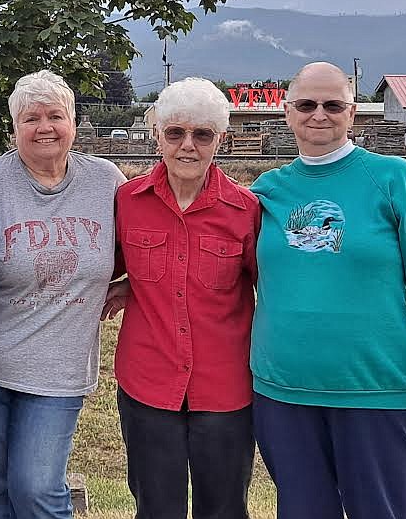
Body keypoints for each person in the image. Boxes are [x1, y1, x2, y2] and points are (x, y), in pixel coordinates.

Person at [251, 61, 406, 519]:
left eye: (333, 105)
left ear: (353, 113)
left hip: (373, 390)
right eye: (306, 104)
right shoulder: (267, 191)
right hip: (284, 392)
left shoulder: (394, 179)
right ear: (287, 112)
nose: (318, 114)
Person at [0, 71, 125, 518]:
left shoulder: (105, 182)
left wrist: (134, 281)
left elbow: (145, 238)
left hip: (61, 369)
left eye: (56, 116)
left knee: (37, 488)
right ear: (14, 127)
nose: (45, 127)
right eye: (31, 118)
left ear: (74, 122)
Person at [106, 77, 259, 519]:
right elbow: (101, 264)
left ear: (221, 141)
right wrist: (131, 281)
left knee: (225, 509)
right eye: (175, 132)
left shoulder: (245, 210)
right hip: (148, 383)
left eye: (202, 134)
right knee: (156, 508)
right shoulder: (127, 201)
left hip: (224, 389)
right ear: (157, 137)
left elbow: (272, 287)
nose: (187, 145)